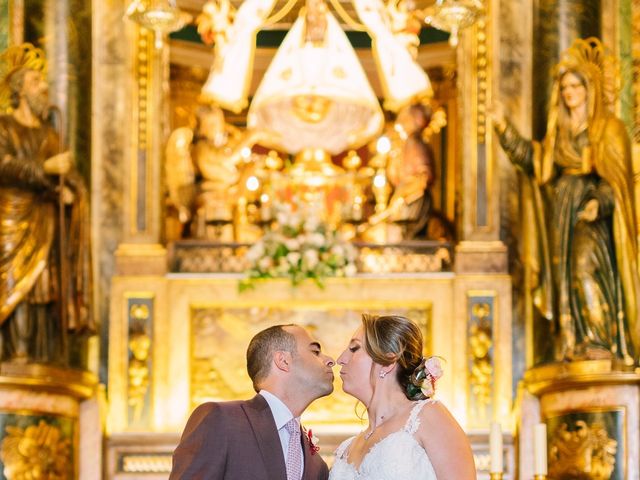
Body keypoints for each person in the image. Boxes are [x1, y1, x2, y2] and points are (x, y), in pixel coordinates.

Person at [491, 37, 639, 365]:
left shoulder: (608, 129)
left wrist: (599, 202)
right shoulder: (559, 132)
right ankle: (577, 343)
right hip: (562, 214)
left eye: (576, 85)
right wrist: (503, 127)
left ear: (590, 89)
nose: (570, 92)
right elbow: (535, 162)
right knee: (566, 279)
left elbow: (620, 183)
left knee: (586, 269)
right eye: (565, 87)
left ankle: (602, 339)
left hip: (594, 216)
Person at [0, 43, 94, 365]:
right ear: (20, 89)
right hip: (11, 220)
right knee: (15, 288)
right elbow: (4, 165)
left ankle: (40, 357)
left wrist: (69, 194)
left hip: (46, 222)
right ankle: (14, 355)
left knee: (42, 288)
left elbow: (70, 178)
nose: (44, 87)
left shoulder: (50, 134)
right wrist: (44, 170)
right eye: (36, 81)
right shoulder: (4, 126)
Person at [170, 324, 335, 479]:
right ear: (283, 360)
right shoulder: (221, 420)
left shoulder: (317, 464)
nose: (330, 360)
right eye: (315, 351)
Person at [330, 314, 475, 479]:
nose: (340, 359)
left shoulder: (428, 416)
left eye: (354, 348)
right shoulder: (347, 448)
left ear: (388, 362)